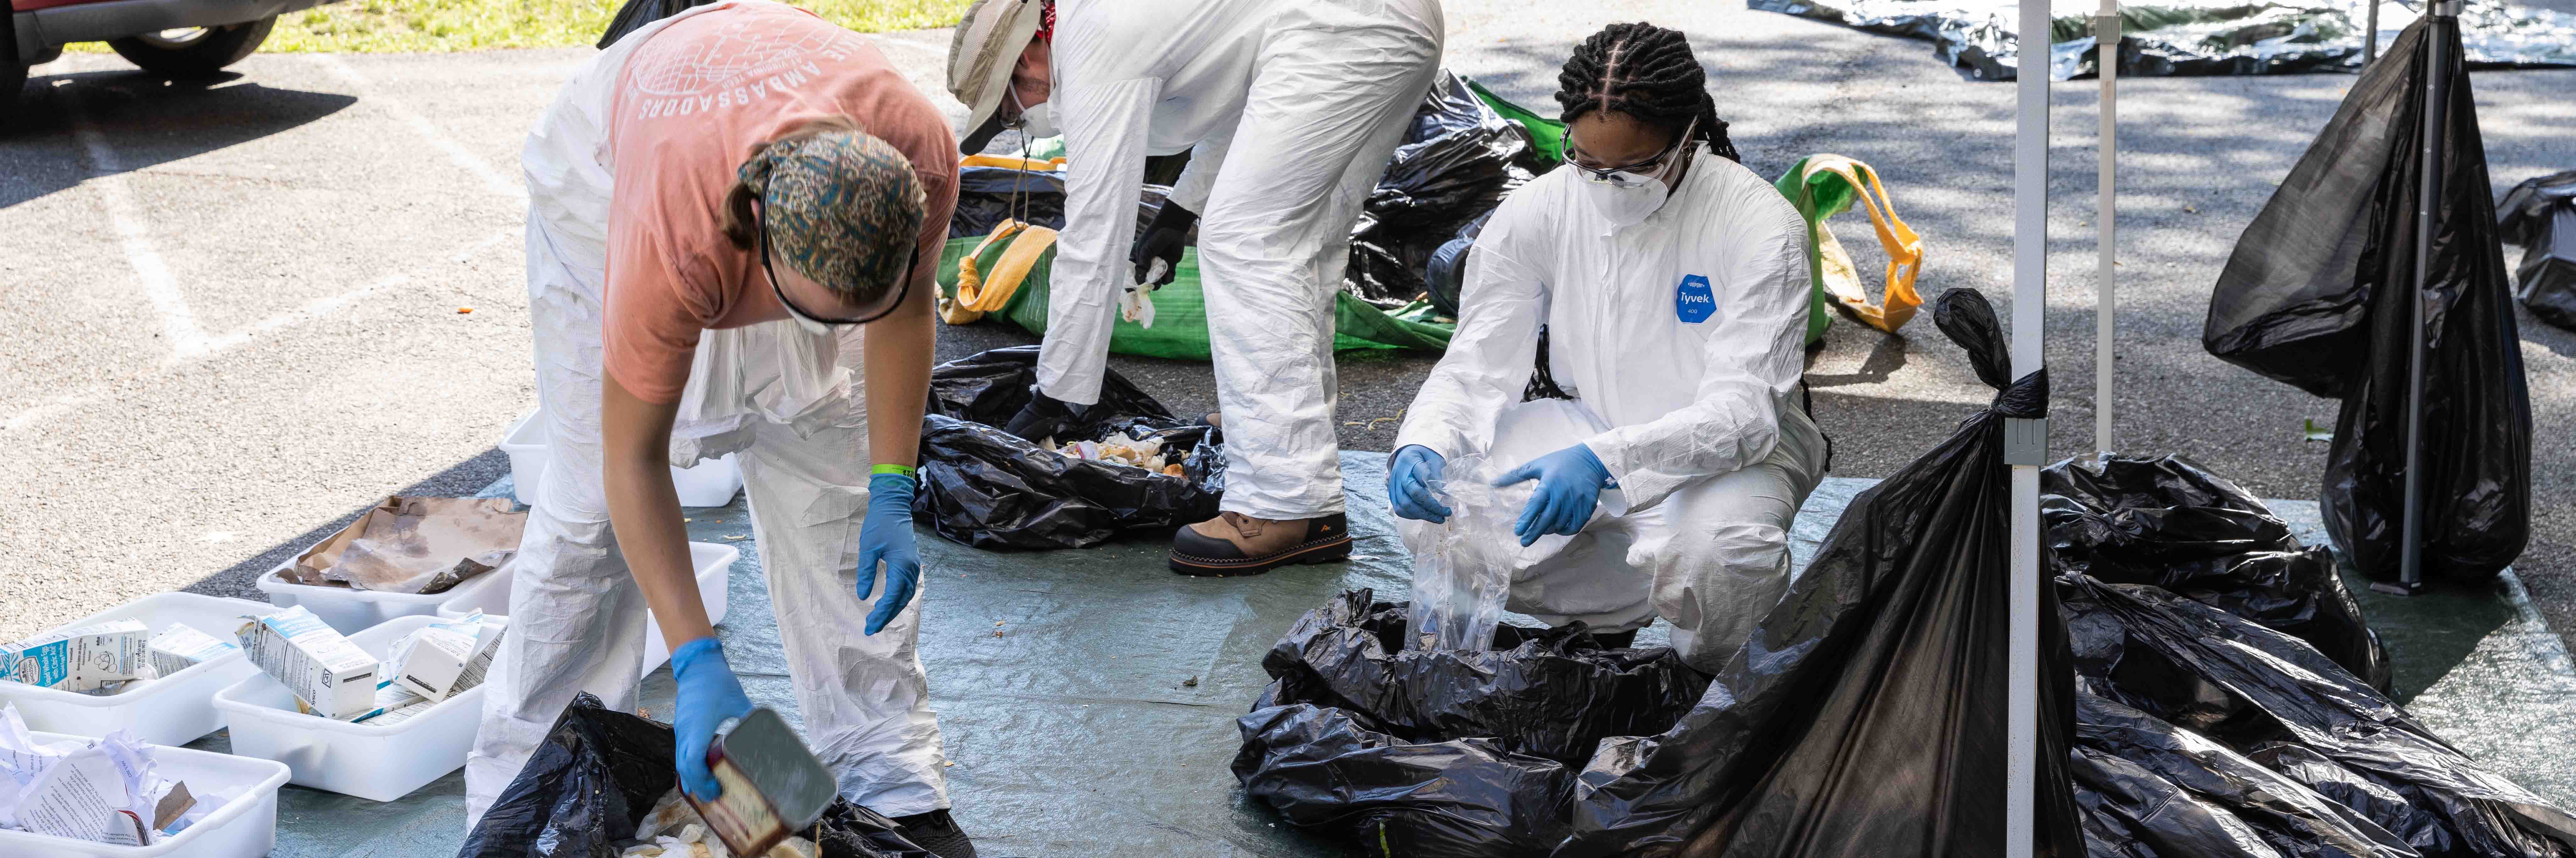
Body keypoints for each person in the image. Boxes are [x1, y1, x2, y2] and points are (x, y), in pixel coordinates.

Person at [471, 2, 974, 854]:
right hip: (606, 183)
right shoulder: (671, 238)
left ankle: (892, 782)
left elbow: (906, 311)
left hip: (777, 173)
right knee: (591, 509)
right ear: (758, 251)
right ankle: (533, 785)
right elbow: (632, 458)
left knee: (832, 476)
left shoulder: (918, 156)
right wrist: (697, 657)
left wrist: (891, 477)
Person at [1385, 22, 1828, 673]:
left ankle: (1707, 674)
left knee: (1721, 555)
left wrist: (1605, 461)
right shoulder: (1539, 210)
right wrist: (1423, 440)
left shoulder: (1761, 227)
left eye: (1638, 167)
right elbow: (1478, 361)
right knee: (1438, 517)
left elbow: (1743, 416)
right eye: (1589, 164)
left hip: (1735, 456)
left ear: (1687, 138)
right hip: (1589, 420)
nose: (1608, 186)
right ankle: (1600, 624)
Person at [945, 0, 1446, 575]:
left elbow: (1092, 236)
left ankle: (1282, 504)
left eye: (1012, 102)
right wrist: (1179, 212)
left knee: (1246, 241)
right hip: (1389, 23)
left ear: (1030, 49)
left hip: (1347, 28)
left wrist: (1055, 396)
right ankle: (1300, 480)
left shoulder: (1087, 39)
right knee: (1309, 242)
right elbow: (1255, 92)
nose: (1024, 115)